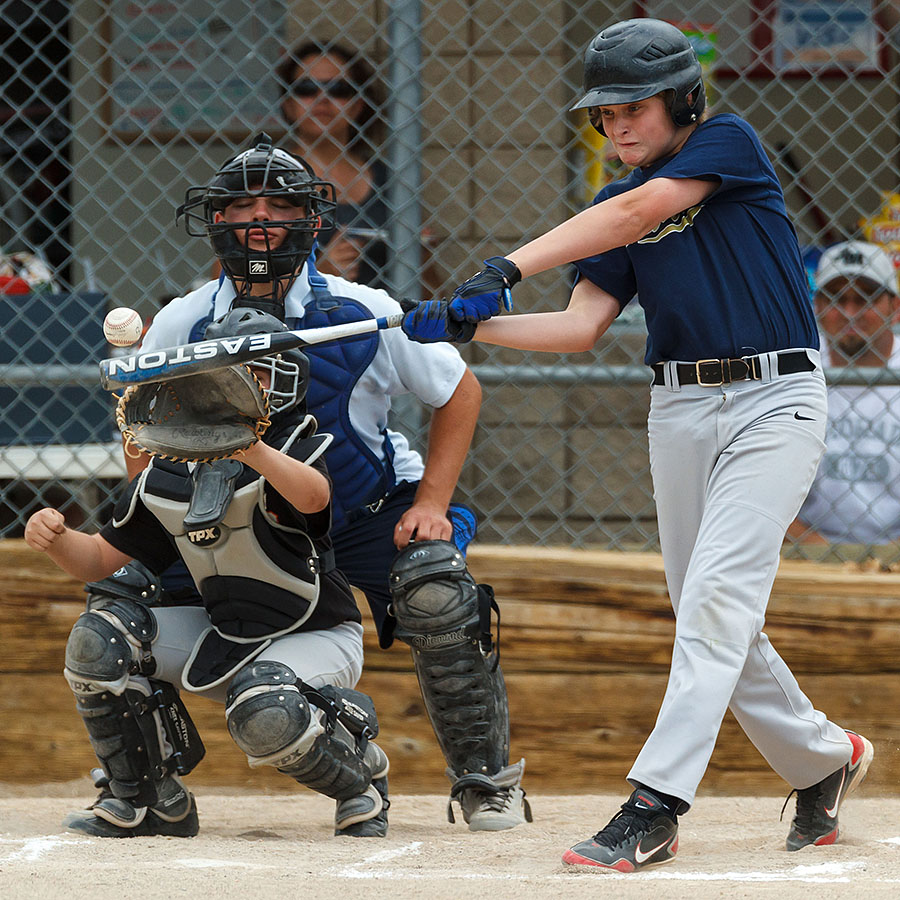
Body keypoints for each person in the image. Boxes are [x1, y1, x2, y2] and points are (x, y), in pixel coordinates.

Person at [401, 17, 872, 871]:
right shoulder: (605, 214)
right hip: (681, 411)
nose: (616, 124)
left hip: (776, 398)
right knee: (708, 607)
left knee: (717, 601)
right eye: (603, 112)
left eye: (634, 106)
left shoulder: (725, 143)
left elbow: (642, 208)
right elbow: (582, 326)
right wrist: (469, 327)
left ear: (683, 100)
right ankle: (822, 758)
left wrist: (502, 267)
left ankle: (655, 804)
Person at [128, 134, 530, 831]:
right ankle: (135, 784)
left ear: (312, 220)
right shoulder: (182, 320)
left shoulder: (360, 307)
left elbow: (459, 392)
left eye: (279, 205)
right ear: (214, 220)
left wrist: (432, 502)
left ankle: (484, 781)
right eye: (241, 205)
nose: (259, 219)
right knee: (124, 605)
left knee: (435, 588)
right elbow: (144, 440)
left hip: (361, 507)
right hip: (244, 519)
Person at [24, 308, 391, 839]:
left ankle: (362, 778)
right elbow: (100, 560)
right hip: (225, 635)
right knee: (99, 642)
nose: (241, 387)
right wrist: (57, 540)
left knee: (265, 712)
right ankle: (151, 801)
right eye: (226, 376)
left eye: (256, 374)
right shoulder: (168, 470)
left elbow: (314, 500)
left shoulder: (296, 450)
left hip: (315, 636)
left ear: (286, 382)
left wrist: (250, 447)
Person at [276, 39, 441, 294]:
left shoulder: (391, 181)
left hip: (386, 325)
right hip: (300, 327)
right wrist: (318, 274)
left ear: (357, 104)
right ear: (288, 103)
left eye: (339, 89)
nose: (322, 100)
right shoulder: (266, 175)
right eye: (307, 88)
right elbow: (226, 282)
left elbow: (432, 293)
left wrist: (417, 251)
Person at [788, 240, 900, 546]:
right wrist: (815, 550)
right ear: (817, 307)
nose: (850, 312)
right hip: (806, 549)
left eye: (866, 298)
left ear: (895, 307)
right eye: (836, 298)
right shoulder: (794, 371)